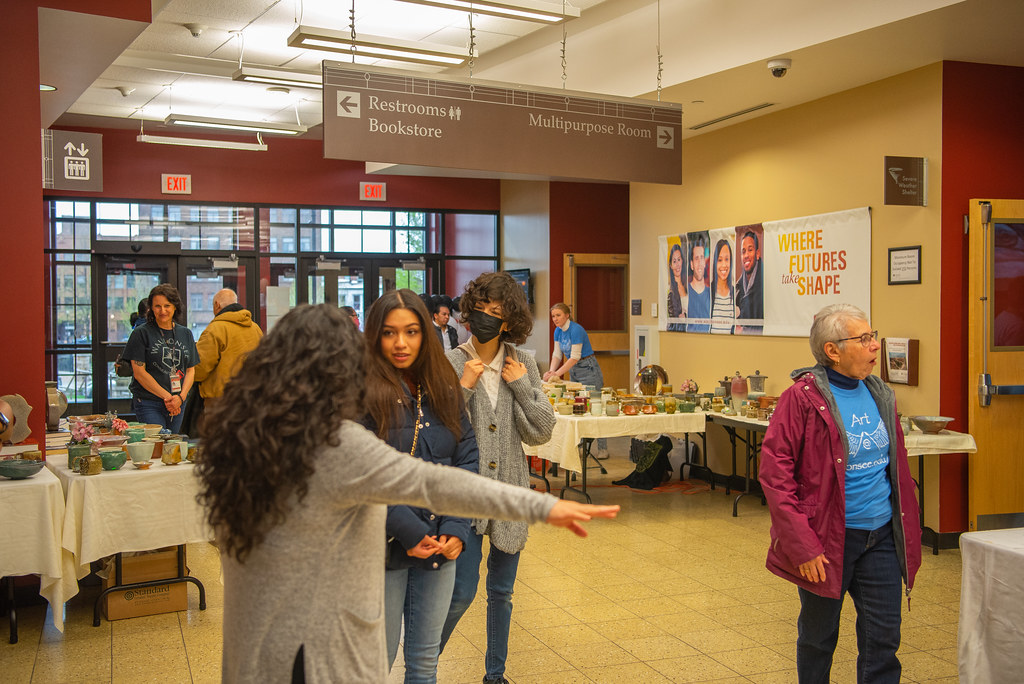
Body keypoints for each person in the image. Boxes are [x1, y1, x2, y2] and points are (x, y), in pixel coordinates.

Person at [195, 304, 619, 683]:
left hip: (253, 660)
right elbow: (434, 482)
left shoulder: (234, 446)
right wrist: (544, 505)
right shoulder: (335, 443)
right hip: (320, 653)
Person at [759, 304, 921, 683]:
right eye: (863, 339)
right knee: (818, 638)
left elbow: (895, 465)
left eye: (873, 336)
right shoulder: (800, 399)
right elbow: (775, 476)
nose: (874, 346)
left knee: (883, 641)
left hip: (880, 537)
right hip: (827, 541)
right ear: (832, 350)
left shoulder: (880, 392)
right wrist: (802, 546)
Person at [440, 272, 557, 683]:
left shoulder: (522, 363)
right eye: (481, 309)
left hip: (509, 492)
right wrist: (465, 387)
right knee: (460, 593)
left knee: (502, 594)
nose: (487, 317)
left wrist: (522, 387)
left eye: (497, 312)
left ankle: (495, 674)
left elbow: (540, 432)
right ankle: (422, 665)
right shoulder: (450, 362)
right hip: (464, 496)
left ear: (509, 321)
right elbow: (441, 433)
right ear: (468, 312)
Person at [362, 289, 478, 682]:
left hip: (440, 540)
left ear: (425, 333)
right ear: (375, 335)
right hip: (379, 546)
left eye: (411, 331)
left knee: (425, 662)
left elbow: (465, 458)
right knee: (375, 662)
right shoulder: (356, 389)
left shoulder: (442, 381)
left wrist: (457, 527)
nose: (400, 343)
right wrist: (411, 532)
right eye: (390, 333)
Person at [122, 283, 197, 433]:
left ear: (175, 307)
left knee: (172, 448)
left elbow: (191, 370)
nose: (163, 311)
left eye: (167, 305)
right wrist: (169, 398)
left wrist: (180, 398)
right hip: (149, 402)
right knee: (157, 446)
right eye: (157, 306)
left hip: (178, 403)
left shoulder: (186, 334)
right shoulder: (141, 333)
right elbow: (139, 373)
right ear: (151, 308)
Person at [193, 289, 263, 404]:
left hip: (221, 401)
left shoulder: (214, 330)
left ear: (217, 305)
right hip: (251, 397)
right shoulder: (255, 328)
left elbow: (200, 368)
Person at [734, 229, 764, 334]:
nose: (746, 255)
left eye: (750, 250)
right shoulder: (738, 287)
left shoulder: (765, 283)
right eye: (743, 251)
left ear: (757, 253)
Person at [710, 239, 737, 334]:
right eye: (720, 260)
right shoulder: (708, 293)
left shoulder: (735, 294)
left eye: (727, 259)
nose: (724, 265)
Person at [686, 234, 711, 332]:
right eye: (696, 258)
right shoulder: (686, 294)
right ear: (691, 265)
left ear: (705, 262)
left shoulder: (711, 294)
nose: (700, 263)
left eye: (702, 258)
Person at [666, 242, 687, 332]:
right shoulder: (671, 293)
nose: (677, 264)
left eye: (679, 259)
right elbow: (676, 322)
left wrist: (686, 316)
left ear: (682, 261)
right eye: (674, 261)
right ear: (670, 266)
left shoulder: (688, 285)